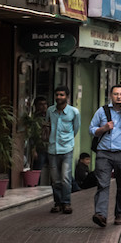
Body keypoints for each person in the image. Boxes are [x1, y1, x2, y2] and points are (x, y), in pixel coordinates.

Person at [89, 85, 121, 227]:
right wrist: (103, 128)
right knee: (102, 184)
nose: (119, 96)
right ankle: (101, 214)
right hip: (104, 153)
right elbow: (91, 129)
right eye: (116, 94)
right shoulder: (102, 111)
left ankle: (119, 213)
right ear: (111, 95)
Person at [46, 86, 80, 214]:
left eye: (61, 95)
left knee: (65, 177)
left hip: (66, 149)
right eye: (57, 95)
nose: (59, 97)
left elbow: (76, 129)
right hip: (52, 149)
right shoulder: (50, 111)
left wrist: (68, 140)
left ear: (67, 97)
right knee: (55, 179)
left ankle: (66, 203)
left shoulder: (74, 112)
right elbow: (47, 125)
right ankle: (58, 203)